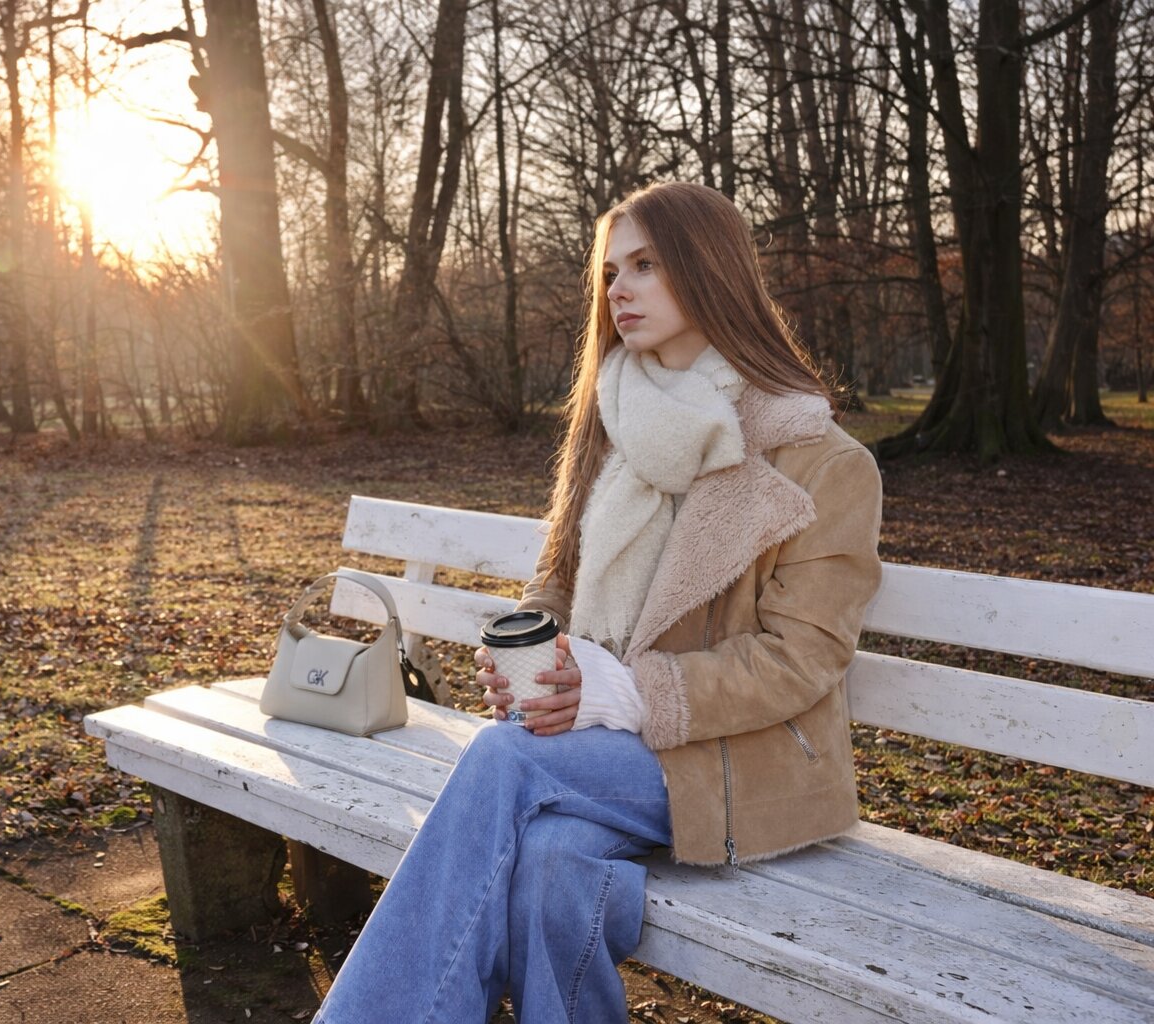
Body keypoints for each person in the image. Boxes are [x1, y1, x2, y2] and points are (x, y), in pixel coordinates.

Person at [312, 181, 883, 1023]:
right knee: (549, 866)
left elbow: (804, 659)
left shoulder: (822, 462)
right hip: (597, 749)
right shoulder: (614, 419)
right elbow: (560, 575)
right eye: (612, 269)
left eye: (646, 265)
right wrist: (530, 659)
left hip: (734, 757)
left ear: (712, 271)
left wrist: (625, 692)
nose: (618, 288)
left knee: (503, 761)